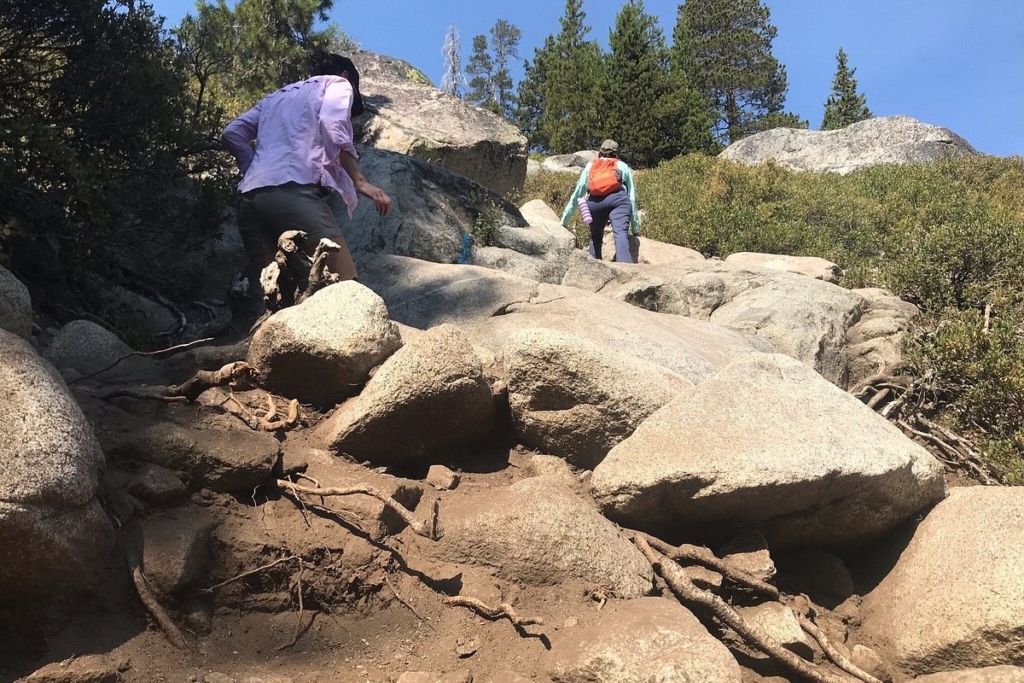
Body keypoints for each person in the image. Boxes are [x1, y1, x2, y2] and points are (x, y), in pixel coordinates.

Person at [221, 53, 391, 288]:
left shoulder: (275, 98)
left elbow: (232, 133)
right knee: (348, 289)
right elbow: (332, 124)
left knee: (278, 297)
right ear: (345, 75)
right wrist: (360, 182)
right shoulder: (338, 83)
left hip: (251, 200)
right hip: (293, 192)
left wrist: (253, 170)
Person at [560, 139, 640, 263]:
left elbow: (578, 192)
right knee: (620, 236)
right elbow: (632, 198)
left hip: (594, 204)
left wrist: (564, 221)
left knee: (596, 237)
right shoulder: (622, 166)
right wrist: (635, 229)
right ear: (617, 155)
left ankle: (593, 268)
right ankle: (627, 270)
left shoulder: (591, 166)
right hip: (618, 201)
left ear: (599, 154)